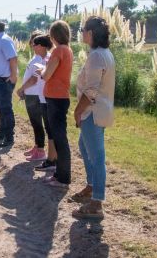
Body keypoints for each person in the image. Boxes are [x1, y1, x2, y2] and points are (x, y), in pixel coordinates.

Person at [71, 16, 115, 219]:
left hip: (93, 112)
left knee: (97, 156)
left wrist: (78, 111)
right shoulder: (102, 53)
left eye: (83, 30)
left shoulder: (97, 56)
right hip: (98, 111)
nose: (81, 33)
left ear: (91, 33)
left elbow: (91, 91)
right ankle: (91, 186)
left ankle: (97, 202)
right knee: (84, 147)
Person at [40, 20, 74, 188]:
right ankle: (59, 174)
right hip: (60, 97)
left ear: (54, 35)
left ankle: (63, 177)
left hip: (56, 98)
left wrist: (42, 72)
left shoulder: (58, 50)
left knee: (60, 138)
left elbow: (47, 76)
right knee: (60, 137)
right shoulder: (67, 50)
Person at [17, 33, 54, 162]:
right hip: (32, 93)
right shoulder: (37, 57)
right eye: (33, 41)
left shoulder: (41, 58)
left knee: (38, 123)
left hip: (34, 94)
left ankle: (40, 150)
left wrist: (21, 89)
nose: (32, 44)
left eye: (35, 42)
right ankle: (37, 146)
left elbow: (34, 79)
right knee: (35, 123)